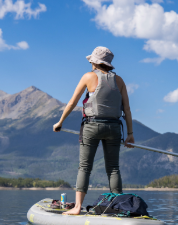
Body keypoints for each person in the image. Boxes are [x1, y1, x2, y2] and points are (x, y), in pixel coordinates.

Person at [53, 46, 135, 215]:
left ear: (94, 62)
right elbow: (127, 109)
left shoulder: (88, 76)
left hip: (92, 126)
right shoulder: (119, 81)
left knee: (84, 167)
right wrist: (130, 134)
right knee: (113, 168)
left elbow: (72, 103)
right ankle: (117, 206)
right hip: (114, 127)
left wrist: (60, 122)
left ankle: (77, 208)